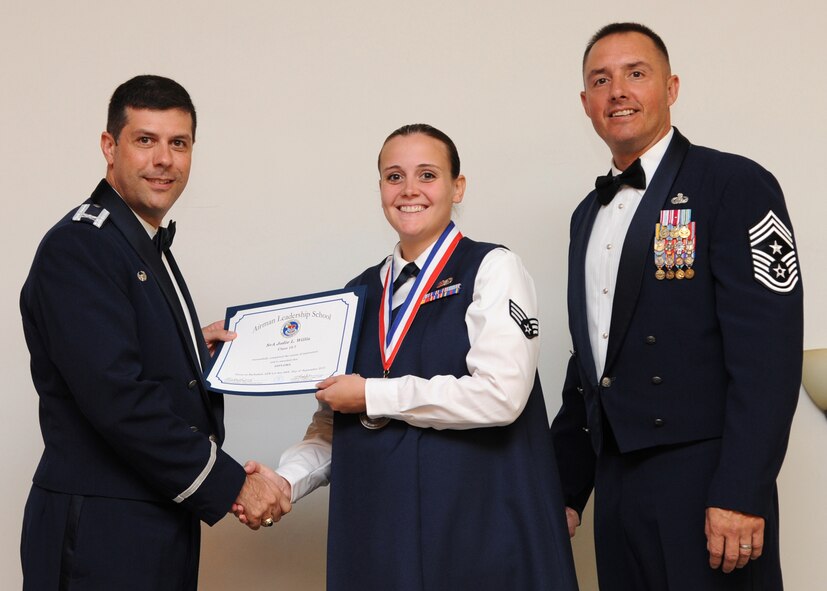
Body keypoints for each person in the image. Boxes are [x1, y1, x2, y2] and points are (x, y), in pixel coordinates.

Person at [241, 124, 578, 590]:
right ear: (380, 188)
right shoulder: (353, 296)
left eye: (427, 174)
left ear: (457, 186)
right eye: (394, 176)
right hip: (380, 540)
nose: (409, 190)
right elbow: (330, 428)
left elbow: (501, 395)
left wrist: (372, 394)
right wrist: (284, 482)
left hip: (478, 532)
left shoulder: (493, 268)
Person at [550, 23, 802, 590]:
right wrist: (565, 489)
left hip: (708, 481)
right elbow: (589, 363)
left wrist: (741, 491)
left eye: (635, 73)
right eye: (601, 79)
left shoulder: (736, 184)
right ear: (586, 103)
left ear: (672, 87)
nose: (618, 90)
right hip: (616, 487)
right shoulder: (585, 216)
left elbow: (769, 356)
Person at [19, 75, 290, 590]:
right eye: (145, 140)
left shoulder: (137, 240)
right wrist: (235, 484)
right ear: (109, 146)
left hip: (153, 515)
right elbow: (118, 397)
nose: (164, 159)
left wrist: (187, 349)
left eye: (178, 143)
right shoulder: (81, 247)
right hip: (103, 530)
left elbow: (121, 352)